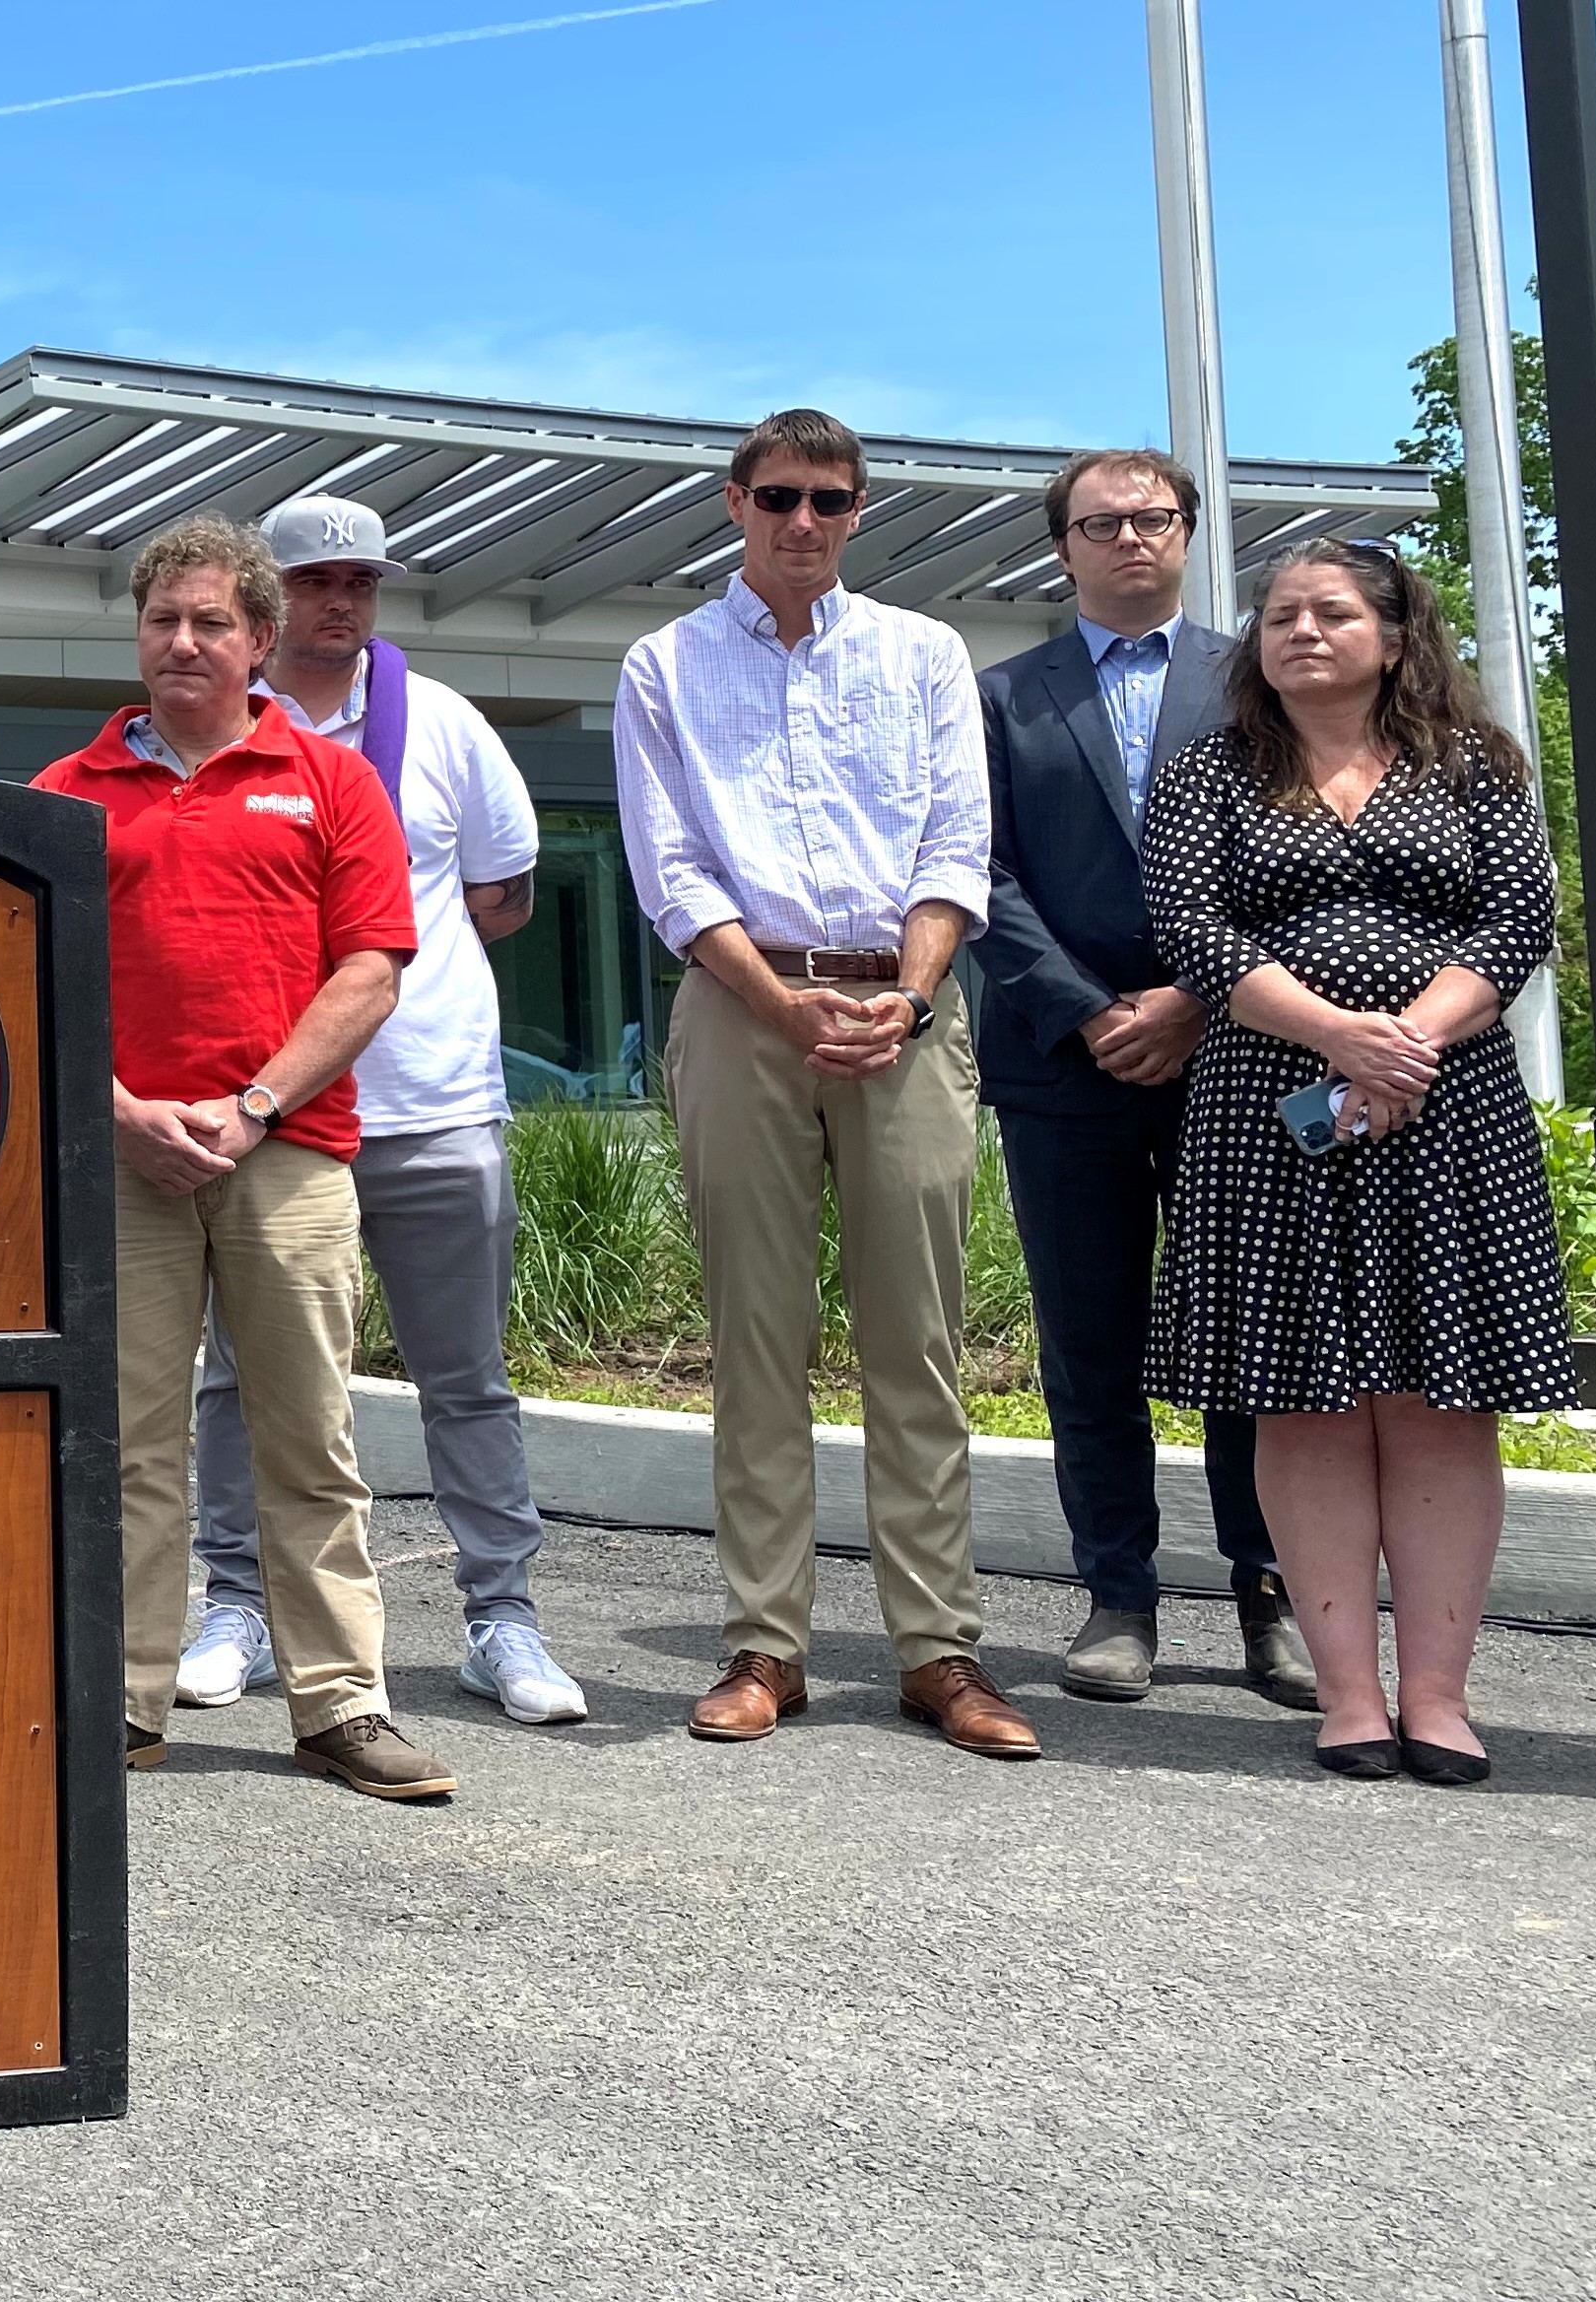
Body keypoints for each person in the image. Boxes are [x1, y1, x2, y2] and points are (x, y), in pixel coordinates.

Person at [615, 408, 1036, 1761]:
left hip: (904, 1005)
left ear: (860, 513)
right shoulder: (663, 665)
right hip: (744, 1009)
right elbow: (672, 867)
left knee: (917, 1339)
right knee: (757, 1333)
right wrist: (783, 1003)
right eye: (780, 496)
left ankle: (939, 1650)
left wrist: (906, 1001)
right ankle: (765, 1644)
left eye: (831, 500)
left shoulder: (924, 656)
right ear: (734, 503)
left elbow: (956, 844)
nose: (804, 521)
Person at [34, 516, 451, 1801]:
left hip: (288, 1155)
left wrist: (253, 1106)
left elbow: (371, 969)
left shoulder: (330, 784)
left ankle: (340, 1706)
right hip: (123, 1163)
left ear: (259, 639)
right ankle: (122, 1701)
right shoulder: (65, 795)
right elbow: (26, 978)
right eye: (163, 619)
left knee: (309, 1444)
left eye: (212, 621)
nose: (183, 641)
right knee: (127, 1447)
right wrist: (118, 1113)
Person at [1140, 540, 1570, 1786]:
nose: (1302, 633)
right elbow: (1190, 926)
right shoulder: (1210, 771)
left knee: (1442, 1403)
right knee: (1305, 1399)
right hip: (1267, 1110)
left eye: (1331, 613)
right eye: (1280, 617)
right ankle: (1345, 1697)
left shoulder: (1476, 764)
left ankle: (1437, 1697)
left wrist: (1405, 1045)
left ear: (1392, 634)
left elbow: (1514, 920)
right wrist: (1337, 1037)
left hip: (1451, 1108)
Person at [178, 496, 586, 1729]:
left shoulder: (447, 726)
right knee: (241, 1375)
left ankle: (501, 1617)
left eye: (360, 579)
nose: (339, 602)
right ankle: (238, 1604)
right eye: (312, 582)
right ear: (263, 600)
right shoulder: (214, 728)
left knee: (467, 1375)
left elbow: (499, 896)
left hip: (432, 1104)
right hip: (272, 1118)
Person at [975, 448, 1311, 1710]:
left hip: (1236, 1051)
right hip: (1065, 1063)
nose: (1130, 540)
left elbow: (1294, 861)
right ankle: (1118, 1594)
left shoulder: (1263, 677)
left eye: (1153, 520)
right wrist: (1088, 1011)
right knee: (1088, 1341)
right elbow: (976, 871)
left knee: (1248, 1336)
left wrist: (1191, 997)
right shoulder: (1001, 696)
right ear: (1060, 545)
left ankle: (1268, 1590)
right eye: (1101, 523)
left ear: (1187, 533)